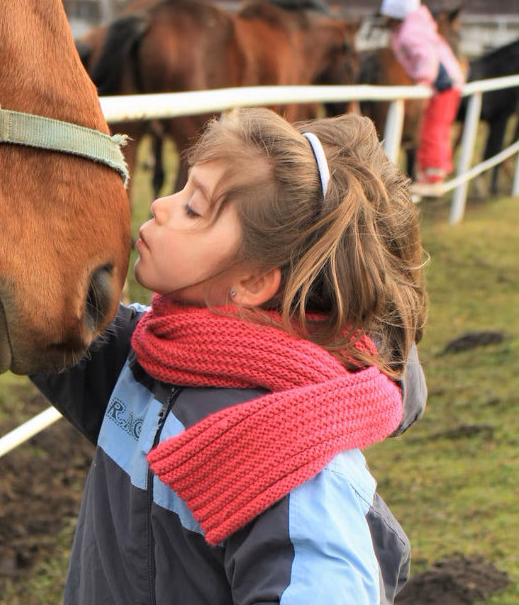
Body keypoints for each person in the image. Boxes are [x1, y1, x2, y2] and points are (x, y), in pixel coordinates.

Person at [33, 109, 429, 605]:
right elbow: (43, 309)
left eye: (194, 209)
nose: (159, 206)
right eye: (181, 190)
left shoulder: (296, 467)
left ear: (252, 281)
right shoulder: (150, 355)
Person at [380, 0, 465, 192]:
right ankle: (434, 172)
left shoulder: (410, 32)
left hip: (443, 85)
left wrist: (424, 81)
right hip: (447, 84)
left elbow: (426, 57)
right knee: (437, 128)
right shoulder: (412, 27)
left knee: (433, 129)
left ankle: (433, 178)